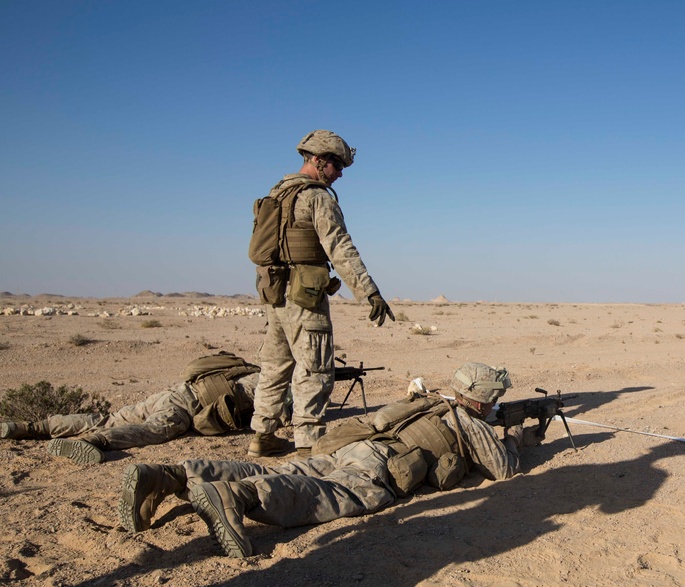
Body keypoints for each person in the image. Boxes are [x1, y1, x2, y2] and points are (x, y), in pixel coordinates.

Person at [118, 363, 543, 558]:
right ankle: (238, 498)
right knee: (325, 495)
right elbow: (505, 470)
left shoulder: (431, 399)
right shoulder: (470, 423)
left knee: (284, 469)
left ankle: (170, 476)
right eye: (495, 401)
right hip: (376, 466)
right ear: (484, 400)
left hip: (348, 445)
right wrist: (516, 438)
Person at [248, 129, 395, 459]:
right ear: (317, 160)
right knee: (314, 368)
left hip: (275, 294)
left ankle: (262, 435)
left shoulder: (277, 193)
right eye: (336, 165)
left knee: (274, 366)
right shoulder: (317, 197)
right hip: (304, 296)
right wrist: (369, 292)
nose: (340, 173)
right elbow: (340, 248)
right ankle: (308, 444)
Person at [0, 353, 260, 464]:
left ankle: (28, 428)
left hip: (169, 393)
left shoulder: (247, 369)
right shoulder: (268, 382)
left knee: (108, 418)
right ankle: (96, 442)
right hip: (183, 407)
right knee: (153, 431)